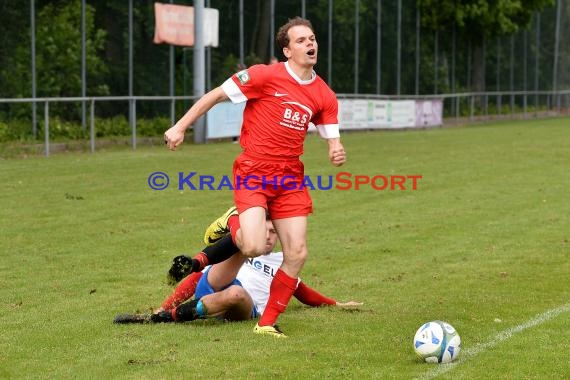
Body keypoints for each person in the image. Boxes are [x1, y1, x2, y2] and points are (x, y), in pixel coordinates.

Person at [164, 17, 346, 337]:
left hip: (290, 178)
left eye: (312, 38)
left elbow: (331, 133)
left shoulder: (323, 94)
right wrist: (180, 126)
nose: (310, 44)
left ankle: (266, 324)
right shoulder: (264, 75)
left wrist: (335, 148)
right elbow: (215, 95)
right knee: (252, 247)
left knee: (297, 253)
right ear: (287, 51)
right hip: (255, 171)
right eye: (301, 40)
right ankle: (233, 222)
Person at [114, 218, 361, 328]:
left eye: (273, 232)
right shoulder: (244, 249)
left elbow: (305, 294)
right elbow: (202, 279)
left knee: (236, 293)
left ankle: (169, 317)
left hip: (243, 306)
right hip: (215, 285)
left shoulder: (282, 262)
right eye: (264, 230)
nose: (267, 236)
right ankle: (163, 309)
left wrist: (337, 304)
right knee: (228, 256)